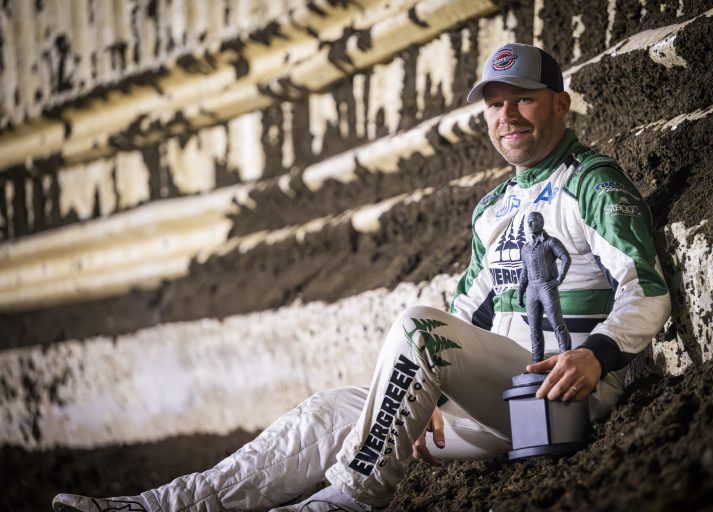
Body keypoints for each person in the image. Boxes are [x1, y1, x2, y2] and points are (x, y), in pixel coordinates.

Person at [52, 43, 671, 512]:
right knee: (327, 412)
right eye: (494, 103)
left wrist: (594, 354)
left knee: (419, 328)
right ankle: (154, 505)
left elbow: (646, 290)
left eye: (524, 98)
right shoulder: (492, 209)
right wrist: (432, 390)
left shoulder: (593, 182)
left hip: (565, 400)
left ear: (560, 104)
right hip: (495, 404)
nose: (506, 114)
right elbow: (468, 313)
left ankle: (349, 497)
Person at [517, 211, 572, 362]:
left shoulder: (551, 242)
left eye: (533, 221)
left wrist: (559, 279)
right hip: (531, 290)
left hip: (547, 287)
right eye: (527, 222)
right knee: (534, 329)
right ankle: (537, 361)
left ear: (541, 223)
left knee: (558, 325)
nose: (529, 224)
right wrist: (520, 292)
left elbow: (566, 258)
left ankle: (565, 359)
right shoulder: (526, 248)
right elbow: (524, 271)